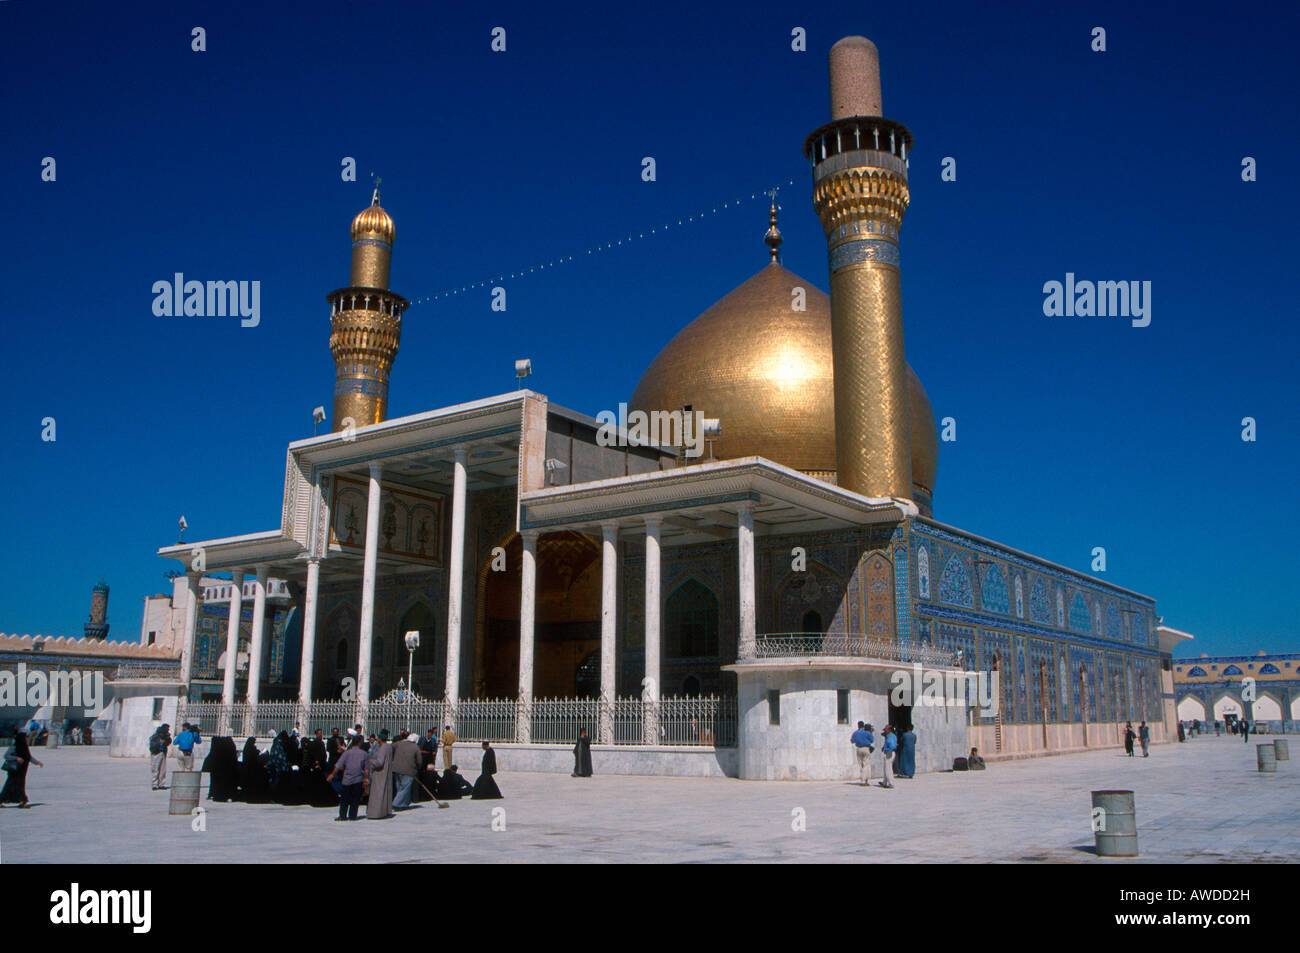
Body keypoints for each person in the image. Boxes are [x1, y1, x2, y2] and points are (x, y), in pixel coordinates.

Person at [327, 735, 369, 821]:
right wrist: (366, 779)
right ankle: (353, 816)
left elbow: (338, 765)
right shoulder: (364, 754)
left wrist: (332, 774)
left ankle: (342, 816)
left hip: (347, 779)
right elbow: (366, 769)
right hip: (358, 779)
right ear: (360, 743)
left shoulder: (346, 753)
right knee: (355, 799)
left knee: (344, 799)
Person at [1, 729, 43, 808]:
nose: (27, 739)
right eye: (25, 737)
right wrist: (16, 758)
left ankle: (20, 801)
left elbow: (28, 757)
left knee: (17, 786)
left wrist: (37, 762)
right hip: (15, 770)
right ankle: (22, 801)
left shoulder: (24, 747)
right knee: (11, 785)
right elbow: (6, 756)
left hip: (22, 770)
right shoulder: (15, 746)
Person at [366, 729, 394, 820]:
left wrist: (371, 761)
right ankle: (385, 811)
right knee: (385, 792)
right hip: (386, 773)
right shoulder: (389, 747)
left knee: (378, 793)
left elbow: (379, 762)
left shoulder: (382, 748)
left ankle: (376, 813)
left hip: (380, 774)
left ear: (380, 739)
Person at [202, 737, 240, 801]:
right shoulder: (229, 751)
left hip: (217, 771)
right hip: (227, 771)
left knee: (215, 782)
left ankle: (214, 793)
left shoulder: (215, 751)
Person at [391, 731, 422, 810]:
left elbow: (390, 747)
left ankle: (404, 804)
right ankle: (396, 803)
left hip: (396, 769)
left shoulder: (399, 744)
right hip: (409, 771)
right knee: (405, 788)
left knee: (400, 788)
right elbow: (419, 761)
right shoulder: (415, 747)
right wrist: (418, 768)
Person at [849, 721, 874, 787]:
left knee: (861, 765)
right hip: (866, 748)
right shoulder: (867, 732)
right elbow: (872, 740)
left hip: (859, 749)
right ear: (863, 726)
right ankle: (865, 781)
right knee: (866, 764)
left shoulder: (855, 733)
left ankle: (863, 779)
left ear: (858, 726)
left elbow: (852, 741)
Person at [149, 723, 172, 790]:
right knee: (155, 769)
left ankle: (161, 784)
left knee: (162, 769)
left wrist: (165, 742)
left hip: (163, 753)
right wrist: (159, 743)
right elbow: (152, 746)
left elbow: (169, 741)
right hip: (156, 753)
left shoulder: (166, 736)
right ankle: (154, 784)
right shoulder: (155, 737)